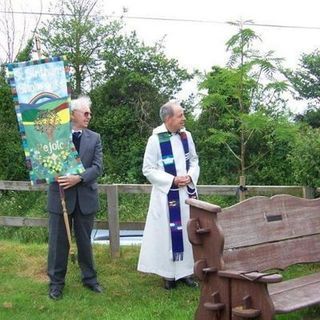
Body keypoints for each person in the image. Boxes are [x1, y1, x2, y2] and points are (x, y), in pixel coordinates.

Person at [138, 100, 200, 289]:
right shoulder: (155, 140)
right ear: (168, 118)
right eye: (180, 115)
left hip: (186, 195)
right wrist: (172, 180)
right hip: (166, 195)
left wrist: (189, 177)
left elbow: (194, 160)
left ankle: (186, 272)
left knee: (187, 232)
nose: (184, 118)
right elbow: (147, 169)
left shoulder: (186, 136)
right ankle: (168, 275)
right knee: (167, 234)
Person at [47, 96, 103, 300]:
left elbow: (98, 167)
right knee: (58, 243)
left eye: (89, 113)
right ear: (73, 114)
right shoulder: (54, 137)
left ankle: (90, 279)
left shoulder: (95, 138)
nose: (89, 116)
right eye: (85, 113)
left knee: (85, 242)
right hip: (60, 198)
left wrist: (78, 178)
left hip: (85, 198)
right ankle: (56, 283)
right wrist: (50, 171)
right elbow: (44, 162)